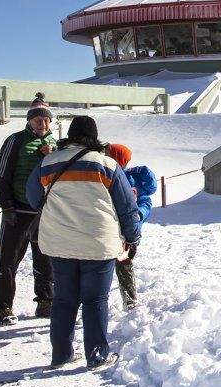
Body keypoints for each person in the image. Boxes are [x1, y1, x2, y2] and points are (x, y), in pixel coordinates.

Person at [25, 116, 141, 371]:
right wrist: (132, 237)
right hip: (98, 243)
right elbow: (127, 207)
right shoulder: (107, 164)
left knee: (64, 299)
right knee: (95, 299)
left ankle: (61, 355)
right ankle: (97, 356)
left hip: (59, 242)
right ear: (94, 137)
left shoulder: (48, 162)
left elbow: (33, 197)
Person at [0, 93, 57, 325]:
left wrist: (50, 157)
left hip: (43, 213)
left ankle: (45, 301)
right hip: (17, 211)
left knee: (45, 259)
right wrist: (7, 205)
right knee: (9, 261)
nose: (43, 124)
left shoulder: (55, 145)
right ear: (29, 120)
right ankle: (3, 306)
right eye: (38, 119)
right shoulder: (15, 140)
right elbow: (2, 174)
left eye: (47, 120)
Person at [104, 143, 156, 310]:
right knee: (102, 266)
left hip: (126, 232)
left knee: (123, 264)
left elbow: (145, 202)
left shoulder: (129, 180)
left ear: (116, 158)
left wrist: (138, 214)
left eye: (108, 154)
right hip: (107, 229)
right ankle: (97, 300)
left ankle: (130, 299)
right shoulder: (105, 174)